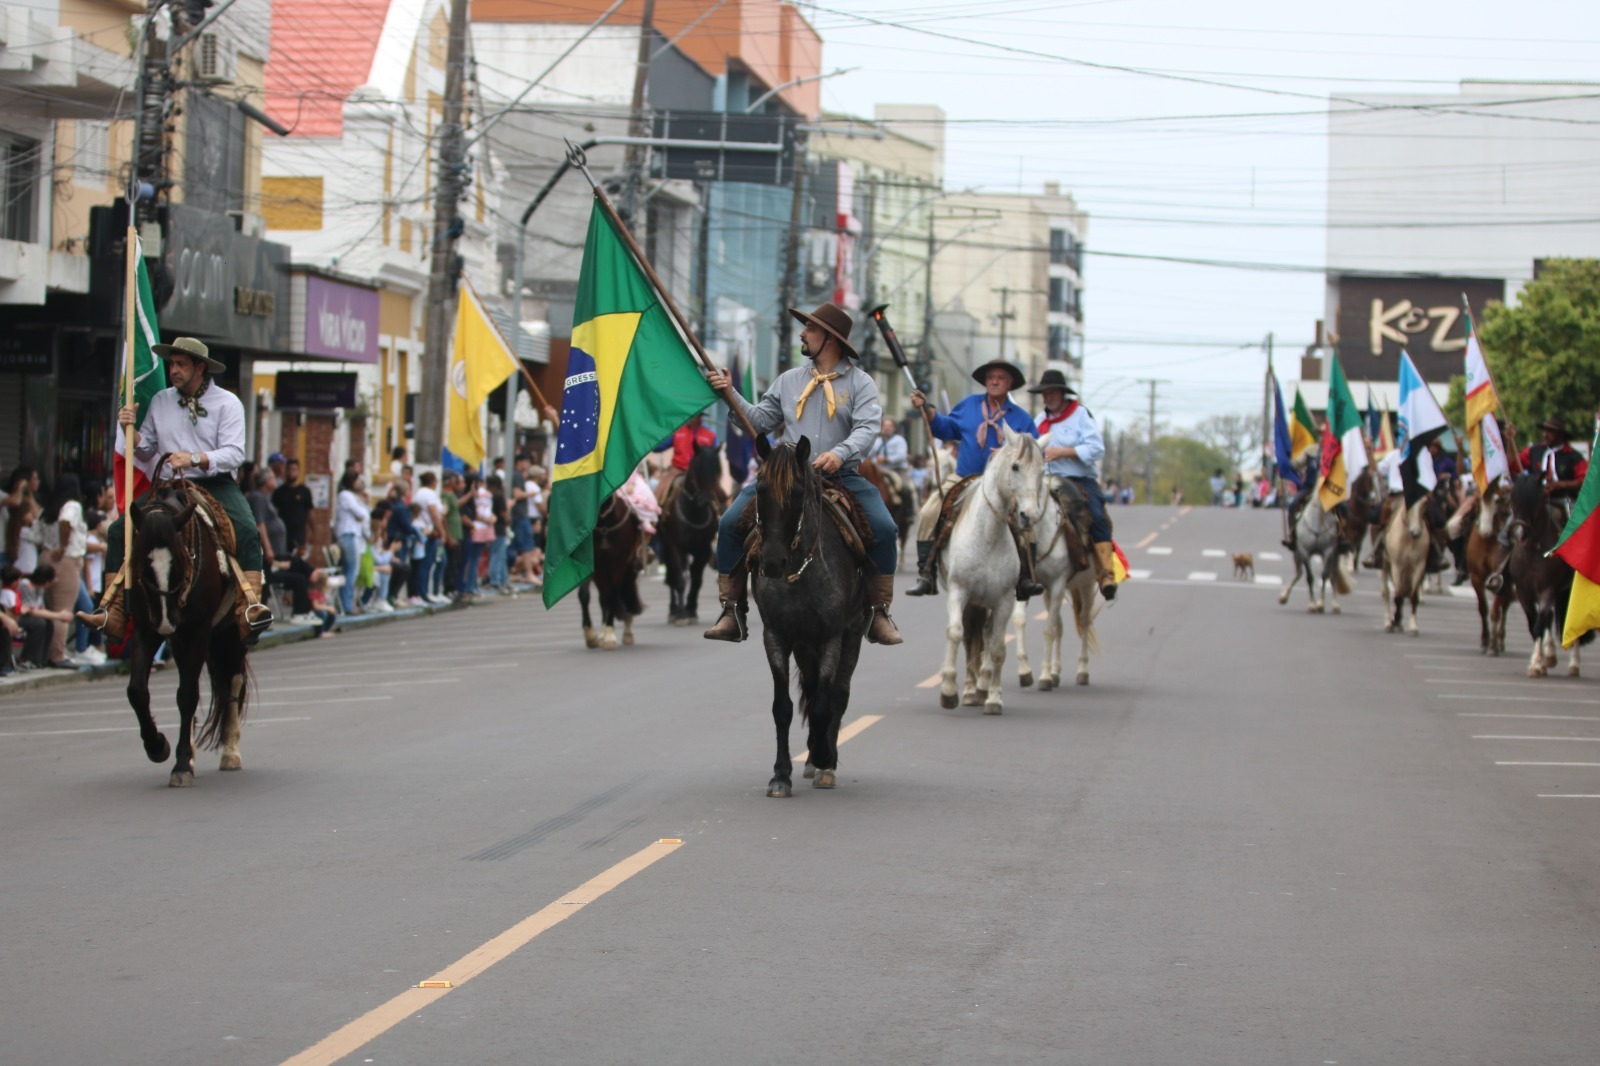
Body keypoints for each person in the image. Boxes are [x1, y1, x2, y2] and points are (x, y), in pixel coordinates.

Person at [702, 301, 902, 645]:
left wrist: (840, 454)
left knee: (885, 528)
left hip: (841, 476)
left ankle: (878, 610)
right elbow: (760, 421)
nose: (802, 333)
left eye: (810, 329)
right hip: (788, 477)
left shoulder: (861, 383)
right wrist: (729, 392)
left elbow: (867, 429)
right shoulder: (789, 380)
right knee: (729, 523)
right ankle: (732, 610)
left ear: (831, 339)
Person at [84, 337, 270, 642]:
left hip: (215, 483)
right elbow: (146, 451)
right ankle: (113, 611)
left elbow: (235, 453)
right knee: (119, 530)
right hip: (169, 485)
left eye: (181, 364)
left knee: (248, 530)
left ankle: (248, 608)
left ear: (200, 367)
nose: (174, 370)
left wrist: (195, 458)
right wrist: (129, 432)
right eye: (172, 363)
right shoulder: (160, 400)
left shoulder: (228, 403)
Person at [905, 358, 1041, 600]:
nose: (995, 381)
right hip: (963, 478)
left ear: (1010, 384)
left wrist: (1007, 454)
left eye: (1001, 377)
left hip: (1003, 487)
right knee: (928, 512)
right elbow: (945, 428)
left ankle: (1026, 577)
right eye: (991, 377)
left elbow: (1034, 454)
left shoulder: (1022, 418)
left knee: (1027, 521)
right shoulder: (969, 405)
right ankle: (926, 573)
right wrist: (928, 410)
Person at [1030, 369, 1119, 601]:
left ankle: (1105, 572)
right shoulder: (1039, 421)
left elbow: (1097, 449)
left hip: (1078, 479)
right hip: (1046, 480)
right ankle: (1023, 568)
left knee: (1096, 515)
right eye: (1044, 393)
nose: (1048, 397)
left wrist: (1066, 452)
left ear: (1062, 393)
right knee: (1022, 511)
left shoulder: (1080, 415)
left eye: (1052, 392)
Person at [37, 474, 89, 667]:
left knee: (51, 609)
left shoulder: (50, 507)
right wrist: (63, 546)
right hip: (64, 559)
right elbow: (66, 522)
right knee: (62, 611)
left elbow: (36, 532)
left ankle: (49, 651)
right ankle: (57, 655)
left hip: (46, 555)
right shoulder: (72, 506)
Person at [654, 411, 717, 503]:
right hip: (677, 470)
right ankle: (658, 512)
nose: (688, 418)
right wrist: (651, 441)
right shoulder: (678, 431)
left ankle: (719, 512)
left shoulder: (710, 435)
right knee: (661, 490)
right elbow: (659, 447)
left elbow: (714, 456)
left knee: (717, 495)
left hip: (700, 474)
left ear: (700, 417)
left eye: (692, 416)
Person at [334, 470, 370, 615]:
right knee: (351, 570)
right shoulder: (346, 495)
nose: (359, 484)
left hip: (353, 535)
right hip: (348, 534)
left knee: (350, 570)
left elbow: (364, 514)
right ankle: (347, 605)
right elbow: (361, 514)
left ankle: (347, 602)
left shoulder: (353, 496)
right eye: (356, 480)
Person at [272, 458, 314, 554]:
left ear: (298, 471)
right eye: (289, 469)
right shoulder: (279, 492)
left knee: (298, 559)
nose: (291, 472)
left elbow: (310, 513)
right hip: (283, 531)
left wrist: (312, 532)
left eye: (294, 469)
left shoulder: (304, 491)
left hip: (299, 533)